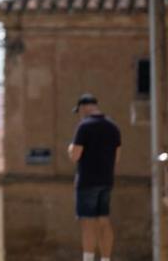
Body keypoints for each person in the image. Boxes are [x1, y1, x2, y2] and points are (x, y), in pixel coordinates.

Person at [68, 93, 122, 261]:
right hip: (106, 180)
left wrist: (70, 147)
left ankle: (88, 258)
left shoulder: (84, 126)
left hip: (87, 181)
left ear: (84, 108)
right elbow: (117, 157)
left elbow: (75, 155)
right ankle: (106, 258)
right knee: (104, 220)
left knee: (87, 222)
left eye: (79, 111)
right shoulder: (113, 126)